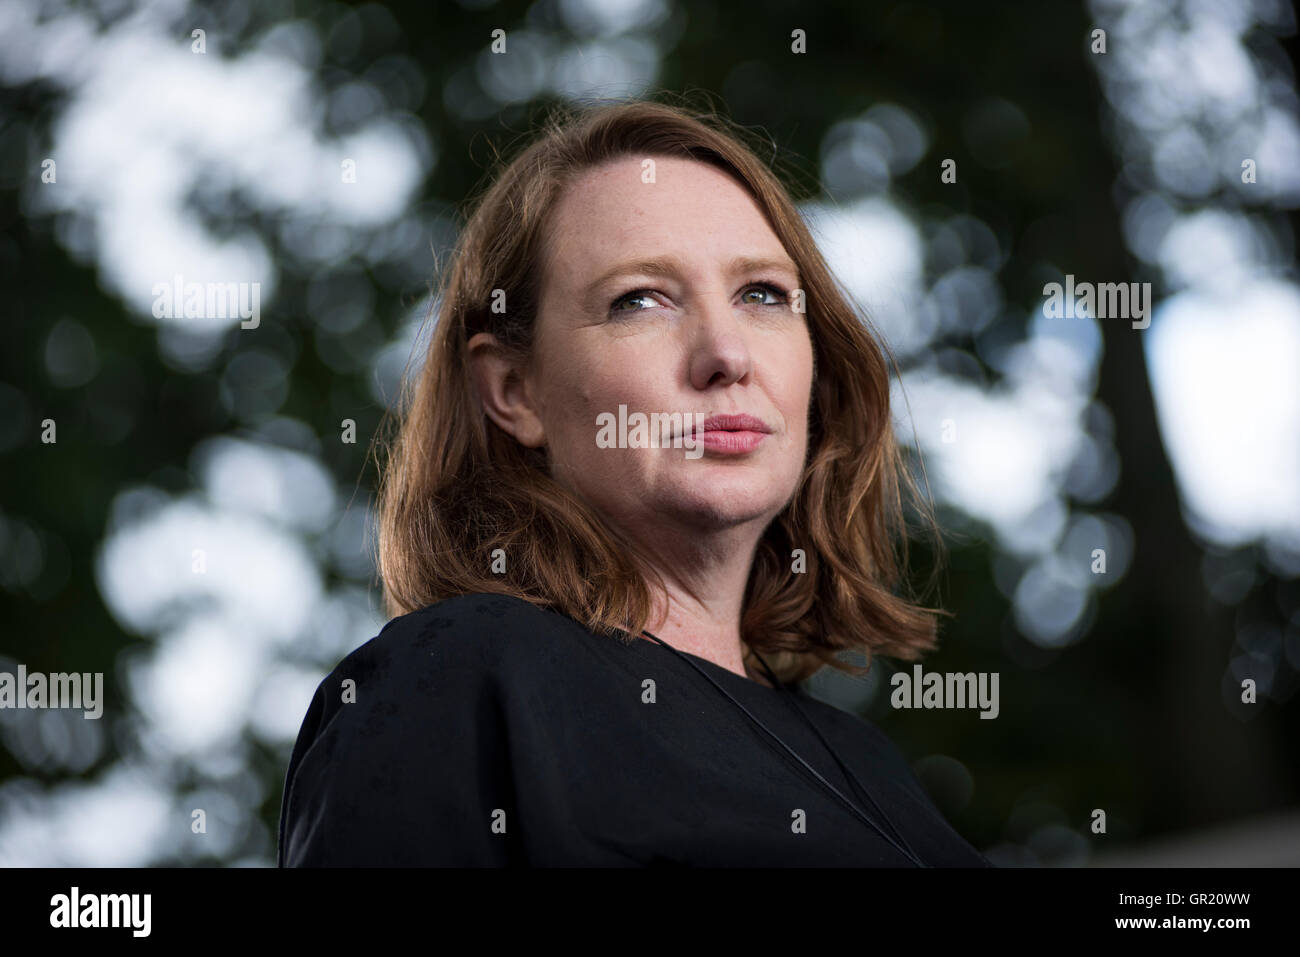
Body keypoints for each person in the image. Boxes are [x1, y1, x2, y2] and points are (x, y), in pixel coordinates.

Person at [278, 96, 992, 867]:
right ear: (515, 391)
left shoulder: (866, 762)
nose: (726, 353)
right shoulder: (459, 676)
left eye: (763, 294)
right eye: (639, 300)